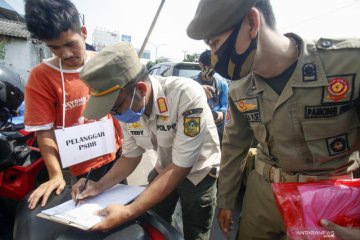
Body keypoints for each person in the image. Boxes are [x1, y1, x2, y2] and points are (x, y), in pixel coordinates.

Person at [187, 0, 360, 239]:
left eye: (215, 43)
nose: (214, 57)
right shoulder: (239, 88)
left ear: (252, 22)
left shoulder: (348, 64)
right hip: (263, 197)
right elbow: (234, 145)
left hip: (326, 200)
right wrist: (225, 200)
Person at [72, 42, 221, 240]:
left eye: (115, 109)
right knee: (155, 222)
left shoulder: (186, 94)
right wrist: (98, 185)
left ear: (140, 89)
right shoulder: (127, 106)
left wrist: (129, 211)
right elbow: (131, 156)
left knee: (195, 232)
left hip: (198, 173)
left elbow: (181, 166)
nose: (115, 116)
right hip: (165, 167)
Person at [23, 0, 122, 210]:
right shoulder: (41, 76)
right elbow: (43, 130)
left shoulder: (104, 63)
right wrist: (55, 175)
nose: (65, 54)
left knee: (122, 213)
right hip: (76, 166)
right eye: (54, 47)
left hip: (117, 157)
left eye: (70, 44)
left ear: (83, 32)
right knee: (87, 215)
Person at [193, 50, 228, 147]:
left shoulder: (222, 83)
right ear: (201, 65)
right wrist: (198, 89)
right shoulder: (192, 84)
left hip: (218, 127)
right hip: (199, 125)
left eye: (214, 67)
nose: (211, 71)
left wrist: (222, 113)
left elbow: (226, 104)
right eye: (209, 66)